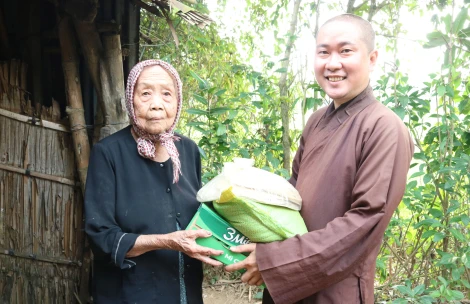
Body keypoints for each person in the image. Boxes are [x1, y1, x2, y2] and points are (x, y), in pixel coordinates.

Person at [226, 14, 414, 303]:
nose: (333, 63)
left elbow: (364, 223)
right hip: (289, 283)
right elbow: (291, 195)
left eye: (346, 51)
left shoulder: (384, 127)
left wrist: (276, 261)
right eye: (324, 52)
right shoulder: (316, 121)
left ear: (372, 59)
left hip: (336, 290)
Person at [84, 59, 223, 304]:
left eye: (167, 94)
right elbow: (101, 237)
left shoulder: (188, 151)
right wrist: (167, 241)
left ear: (178, 101)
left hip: (185, 292)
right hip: (130, 294)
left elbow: (199, 216)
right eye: (145, 93)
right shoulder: (108, 154)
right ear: (130, 99)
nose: (156, 105)